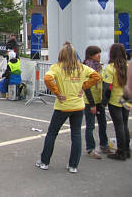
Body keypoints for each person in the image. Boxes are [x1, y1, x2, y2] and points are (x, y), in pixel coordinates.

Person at [36, 42, 100, 173]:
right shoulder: (81, 68)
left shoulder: (57, 67)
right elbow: (96, 76)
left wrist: (57, 92)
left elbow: (47, 78)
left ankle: (44, 161)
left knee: (52, 133)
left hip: (63, 106)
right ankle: (73, 165)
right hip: (78, 106)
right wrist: (84, 86)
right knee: (76, 135)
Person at [101, 43, 130, 160]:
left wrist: (104, 102)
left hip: (115, 100)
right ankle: (127, 150)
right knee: (124, 125)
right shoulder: (127, 66)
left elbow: (107, 88)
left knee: (119, 126)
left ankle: (121, 152)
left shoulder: (110, 68)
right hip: (126, 99)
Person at [82, 46, 110, 159]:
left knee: (103, 123)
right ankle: (90, 148)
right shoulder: (86, 68)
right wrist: (92, 104)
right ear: (90, 55)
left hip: (99, 100)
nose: (99, 56)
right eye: (97, 54)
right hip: (90, 101)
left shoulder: (100, 67)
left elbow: (103, 83)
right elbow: (86, 87)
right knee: (90, 125)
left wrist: (104, 100)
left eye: (100, 53)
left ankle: (104, 145)